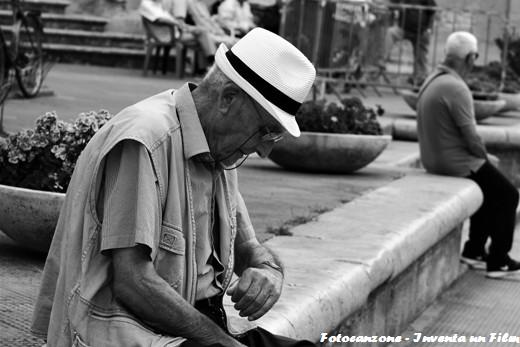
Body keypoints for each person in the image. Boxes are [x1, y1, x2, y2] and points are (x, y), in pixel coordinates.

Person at [30, 28, 318, 347]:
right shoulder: (145, 140)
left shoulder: (221, 148)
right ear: (228, 99)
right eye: (266, 131)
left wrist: (268, 271)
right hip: (127, 333)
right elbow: (133, 281)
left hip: (188, 329)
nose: (265, 151)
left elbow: (249, 246)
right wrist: (222, 343)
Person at [416, 31, 520, 279]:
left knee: (489, 190)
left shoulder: (434, 78)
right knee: (508, 195)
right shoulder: (456, 87)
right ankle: (498, 260)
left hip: (434, 159)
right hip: (455, 162)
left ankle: (473, 250)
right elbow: (471, 137)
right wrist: (485, 158)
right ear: (471, 58)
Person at [139, 0, 237, 66]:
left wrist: (182, 25)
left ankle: (209, 61)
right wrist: (178, 23)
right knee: (204, 37)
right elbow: (160, 19)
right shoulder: (146, 3)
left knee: (203, 34)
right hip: (168, 35)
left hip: (176, 30)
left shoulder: (159, 3)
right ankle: (211, 61)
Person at [383, 0, 436, 85]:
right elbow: (391, 5)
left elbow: (432, 11)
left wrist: (429, 29)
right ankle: (380, 62)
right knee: (390, 33)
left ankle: (420, 79)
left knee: (421, 55)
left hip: (421, 31)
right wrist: (399, 6)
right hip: (403, 28)